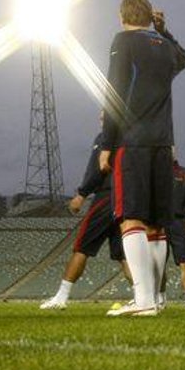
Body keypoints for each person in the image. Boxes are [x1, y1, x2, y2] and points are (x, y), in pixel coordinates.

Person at [99, 0, 185, 317]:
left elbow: (114, 92)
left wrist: (107, 143)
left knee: (131, 219)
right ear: (150, 18)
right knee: (155, 225)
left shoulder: (123, 41)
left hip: (133, 142)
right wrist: (163, 31)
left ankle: (143, 299)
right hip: (163, 144)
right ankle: (155, 298)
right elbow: (184, 59)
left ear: (123, 16)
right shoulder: (165, 48)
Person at [40, 117, 130, 310]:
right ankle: (144, 298)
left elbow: (97, 169)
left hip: (106, 196)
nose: (100, 119)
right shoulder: (131, 138)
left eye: (103, 116)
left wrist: (81, 194)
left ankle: (61, 298)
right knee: (123, 254)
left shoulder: (106, 136)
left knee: (81, 247)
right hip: (125, 198)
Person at [158, 156, 185, 310]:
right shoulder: (154, 172)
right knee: (159, 266)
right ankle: (161, 300)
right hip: (159, 223)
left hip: (178, 222)